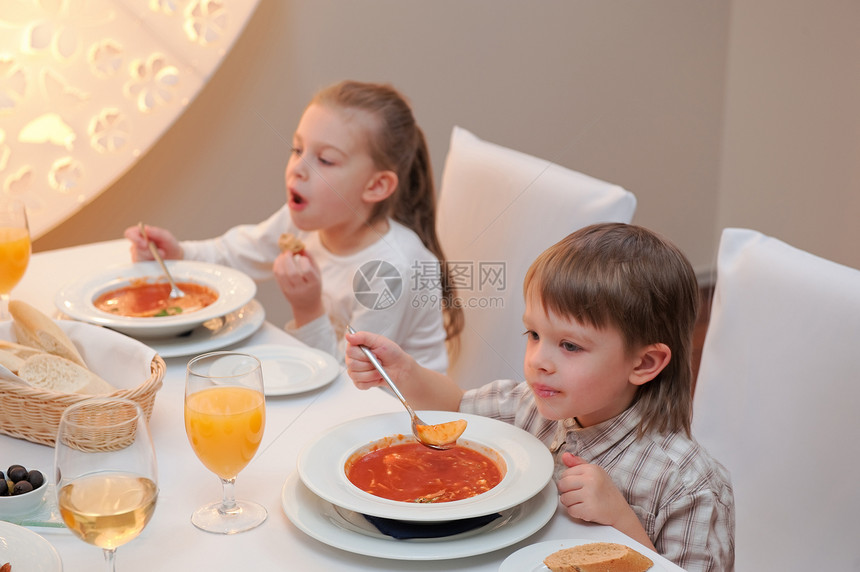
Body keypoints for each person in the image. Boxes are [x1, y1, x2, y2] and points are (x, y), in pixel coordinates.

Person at [345, 223, 735, 572]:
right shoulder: (527, 408)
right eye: (533, 335)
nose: (538, 361)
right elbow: (456, 408)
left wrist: (621, 521)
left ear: (645, 362)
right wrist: (404, 372)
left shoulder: (688, 485)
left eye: (569, 345)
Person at [125, 80, 462, 371]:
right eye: (297, 149)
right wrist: (180, 252)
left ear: (376, 186)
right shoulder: (305, 221)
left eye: (325, 160)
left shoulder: (391, 271)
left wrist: (307, 308)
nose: (298, 168)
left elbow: (352, 384)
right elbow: (240, 252)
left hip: (398, 420)